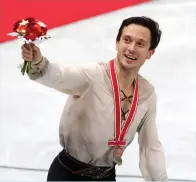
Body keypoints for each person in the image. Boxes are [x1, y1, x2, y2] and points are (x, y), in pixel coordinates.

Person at [21, 16, 168, 181]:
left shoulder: (146, 94)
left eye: (140, 44)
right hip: (68, 174)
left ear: (150, 52)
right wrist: (38, 62)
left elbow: (151, 148)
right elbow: (59, 76)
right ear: (117, 43)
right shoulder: (93, 75)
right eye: (127, 40)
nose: (131, 48)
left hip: (106, 176)